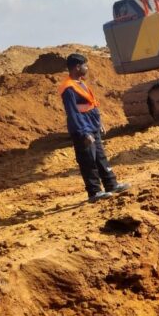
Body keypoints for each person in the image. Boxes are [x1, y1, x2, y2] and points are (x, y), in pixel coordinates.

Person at [59, 53, 130, 203]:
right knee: (88, 160)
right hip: (83, 130)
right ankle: (94, 192)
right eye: (85, 65)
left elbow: (90, 105)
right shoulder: (68, 88)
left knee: (100, 157)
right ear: (77, 67)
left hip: (92, 126)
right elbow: (73, 113)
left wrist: (99, 123)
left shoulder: (81, 83)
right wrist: (84, 133)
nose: (87, 68)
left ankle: (111, 185)